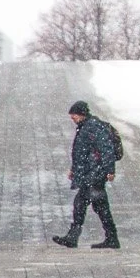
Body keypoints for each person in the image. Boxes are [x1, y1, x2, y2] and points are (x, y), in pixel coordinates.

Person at [52, 100, 121, 249]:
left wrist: (110, 170)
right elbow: (81, 153)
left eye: (74, 115)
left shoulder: (93, 127)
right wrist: (73, 169)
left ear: (82, 114)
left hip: (95, 174)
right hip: (91, 173)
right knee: (100, 207)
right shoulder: (85, 126)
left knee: (81, 204)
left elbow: (106, 149)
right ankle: (111, 238)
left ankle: (73, 237)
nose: (72, 118)